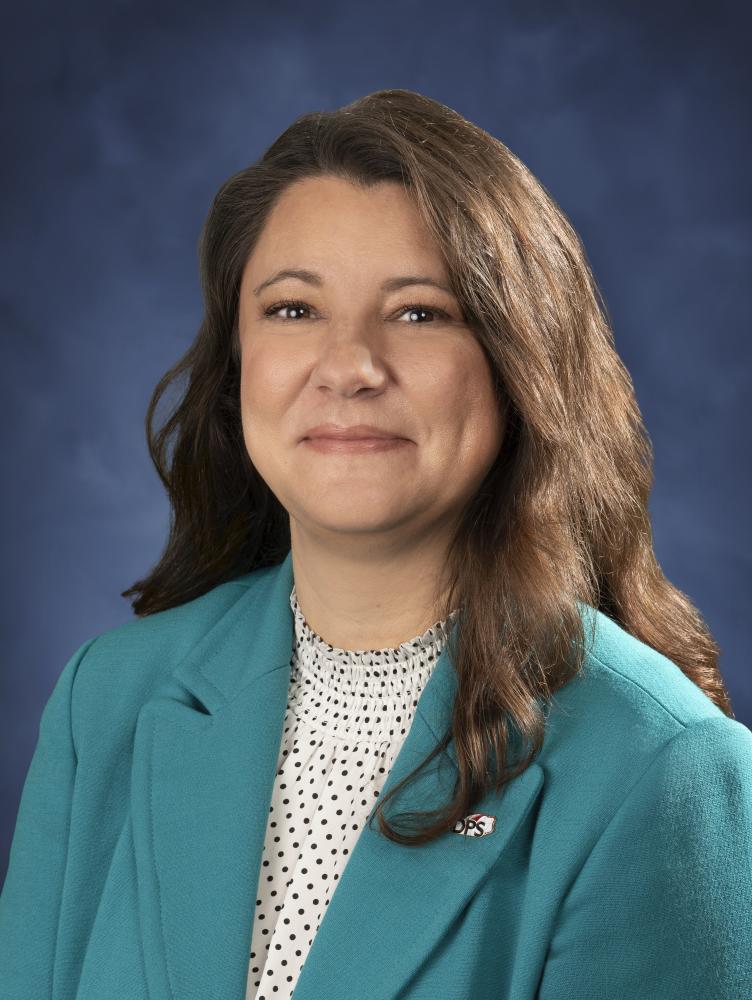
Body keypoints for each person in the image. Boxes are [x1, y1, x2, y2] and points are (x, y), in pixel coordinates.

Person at [1, 88, 750, 1000]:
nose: (349, 366)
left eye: (420, 312)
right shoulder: (106, 702)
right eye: (291, 310)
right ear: (237, 368)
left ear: (523, 365)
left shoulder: (661, 769)